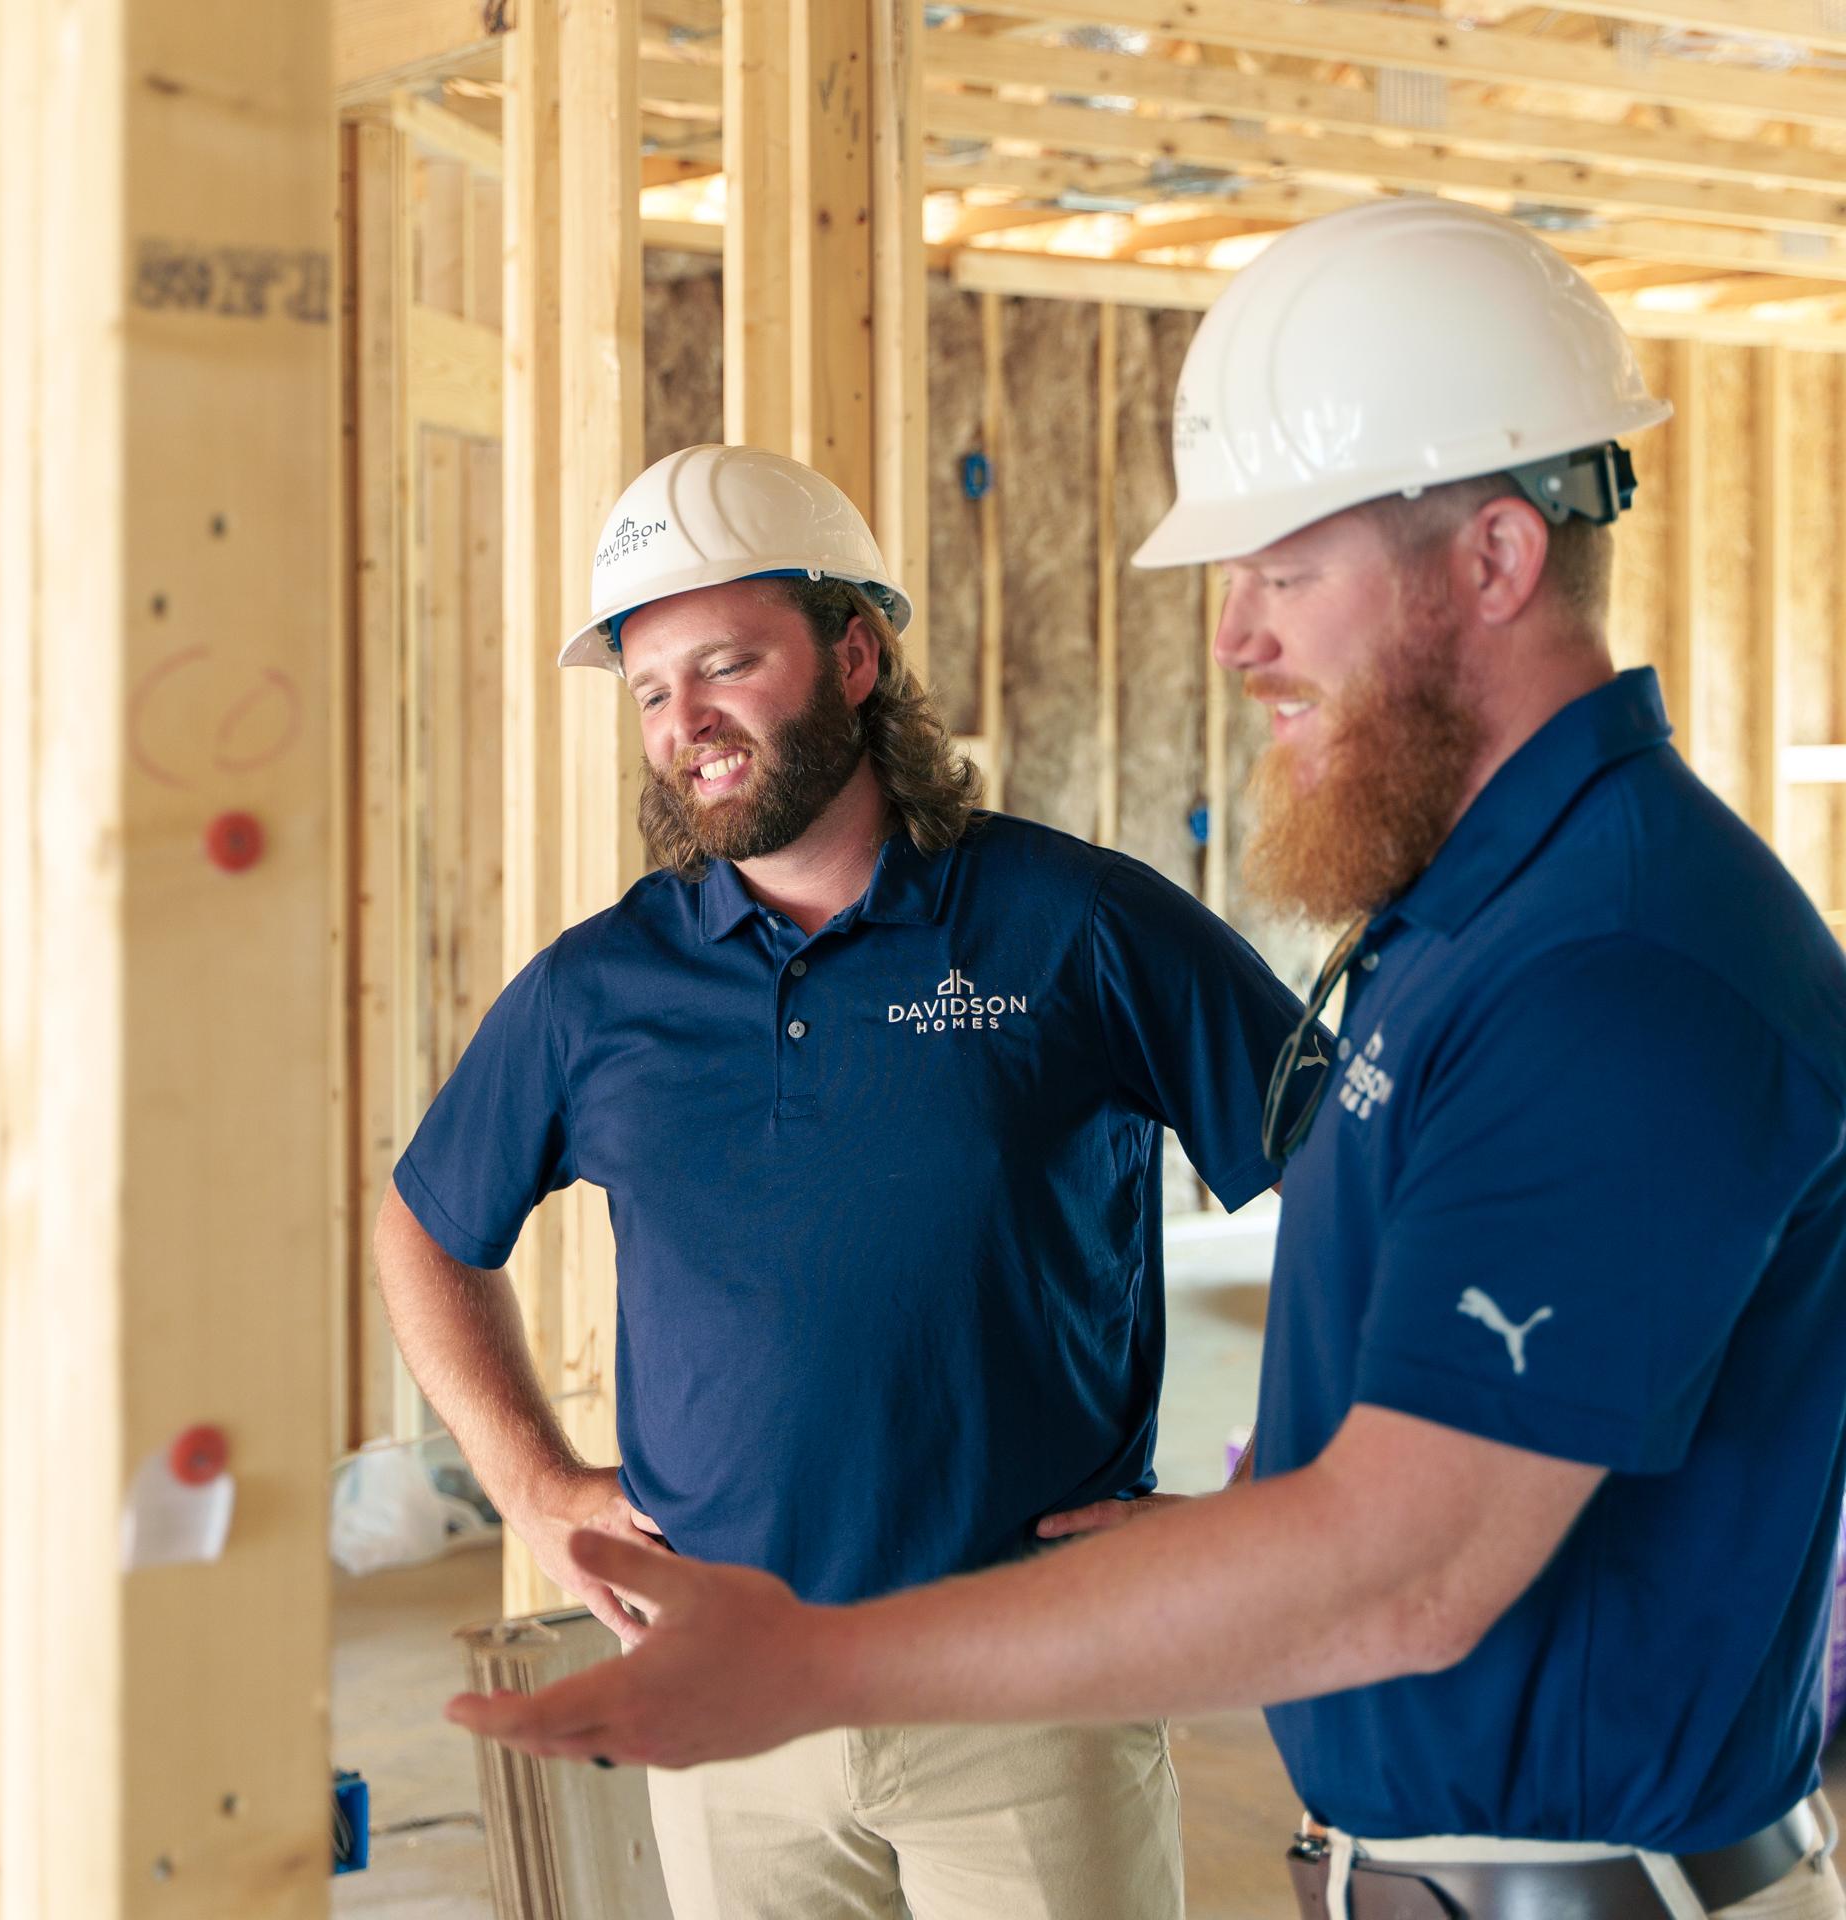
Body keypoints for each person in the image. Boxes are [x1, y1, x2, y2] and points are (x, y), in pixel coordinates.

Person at [447, 202, 1846, 1920]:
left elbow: (1399, 1573)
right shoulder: (1463, 926)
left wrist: (830, 1662)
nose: (1237, 639)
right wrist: (1277, 1488)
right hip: (1446, 1867)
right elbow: (1392, 1380)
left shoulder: (1610, 965)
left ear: (1493, 559)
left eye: (1288, 572)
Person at [375, 441, 1310, 1920]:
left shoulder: (1074, 926)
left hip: (1026, 1682)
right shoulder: (598, 989)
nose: (687, 723)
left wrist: (1279, 1505)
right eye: (650, 690)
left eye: (727, 664)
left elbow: (1365, 1182)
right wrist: (535, 1487)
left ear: (857, 654)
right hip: (726, 1696)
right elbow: (424, 1228)